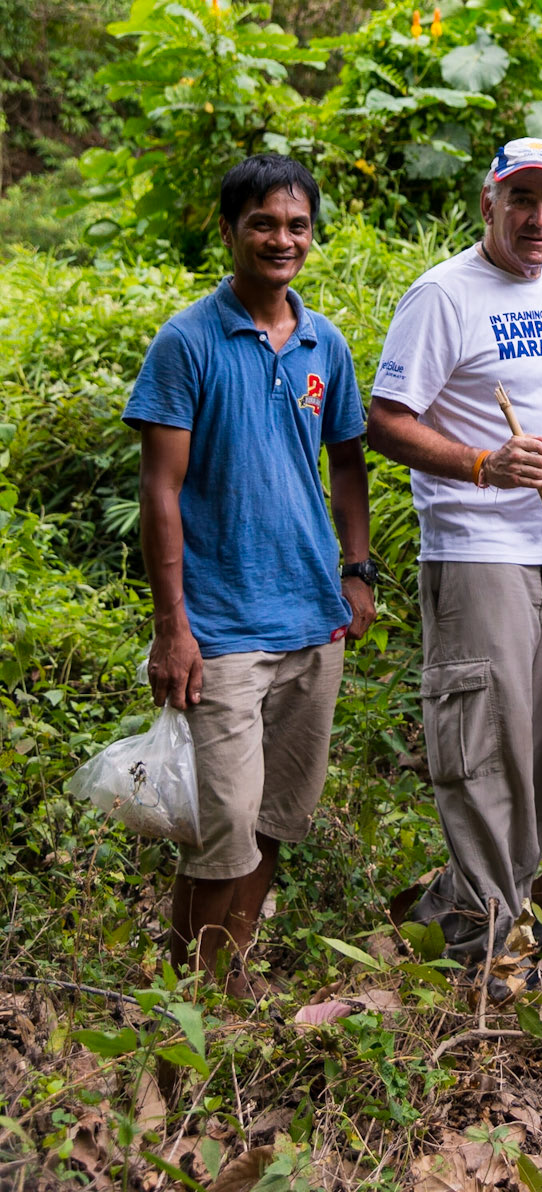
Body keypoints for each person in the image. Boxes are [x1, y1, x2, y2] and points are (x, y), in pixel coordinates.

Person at [368, 136, 542, 959]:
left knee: (539, 748)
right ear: (489, 203)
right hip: (478, 553)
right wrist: (483, 464)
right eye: (522, 200)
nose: (539, 218)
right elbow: (384, 420)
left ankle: (479, 913)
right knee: (483, 750)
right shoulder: (443, 294)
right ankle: (481, 948)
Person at [126, 154, 375, 999]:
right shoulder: (187, 341)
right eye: (263, 223)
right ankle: (185, 998)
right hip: (222, 624)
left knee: (277, 817)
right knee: (224, 820)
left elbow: (348, 462)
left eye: (296, 224)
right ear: (229, 230)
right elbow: (160, 488)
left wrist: (357, 568)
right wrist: (173, 627)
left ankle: (225, 978)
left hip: (312, 613)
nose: (282, 239)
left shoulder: (323, 342)